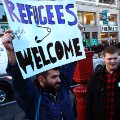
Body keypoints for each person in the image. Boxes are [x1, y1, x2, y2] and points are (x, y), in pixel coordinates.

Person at [1, 29, 77, 120]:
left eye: (58, 76)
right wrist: (11, 52)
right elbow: (18, 79)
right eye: (54, 77)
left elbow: (71, 62)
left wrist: (76, 34)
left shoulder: (62, 87)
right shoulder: (33, 98)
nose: (59, 80)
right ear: (41, 79)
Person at [86, 45, 120, 120]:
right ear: (103, 58)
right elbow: (89, 100)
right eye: (109, 59)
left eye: (115, 58)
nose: (112, 61)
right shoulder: (95, 77)